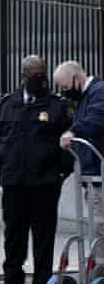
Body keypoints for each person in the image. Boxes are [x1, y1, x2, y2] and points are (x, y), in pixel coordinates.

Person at [0, 56, 73, 284]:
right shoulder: (6, 105)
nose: (41, 79)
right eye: (35, 74)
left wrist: (61, 174)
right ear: (24, 75)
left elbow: (69, 141)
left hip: (44, 184)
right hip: (14, 182)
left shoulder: (56, 106)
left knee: (43, 238)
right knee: (13, 238)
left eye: (43, 73)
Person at [54, 61, 104, 261]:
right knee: (96, 227)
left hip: (99, 175)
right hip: (92, 174)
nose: (65, 92)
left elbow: (97, 118)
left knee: (100, 227)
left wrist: (74, 131)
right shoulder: (85, 97)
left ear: (77, 77)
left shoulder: (99, 92)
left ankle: (100, 275)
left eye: (65, 87)